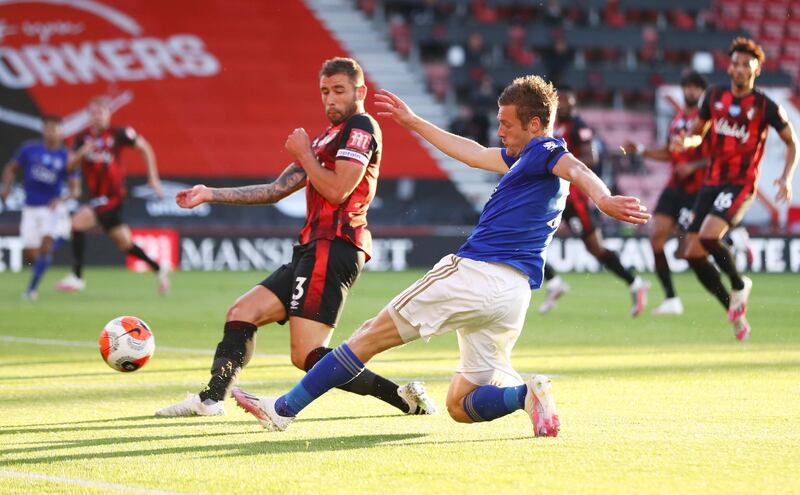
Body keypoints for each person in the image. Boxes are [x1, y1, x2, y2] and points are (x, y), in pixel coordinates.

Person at [230, 76, 649, 435]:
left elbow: (577, 169)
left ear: (535, 124)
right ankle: (526, 396)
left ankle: (282, 409)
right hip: (512, 296)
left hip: (475, 274)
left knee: (367, 337)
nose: (499, 131)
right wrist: (413, 122)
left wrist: (604, 198)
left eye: (506, 124)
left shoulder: (545, 151)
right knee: (459, 404)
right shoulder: (524, 159)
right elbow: (469, 151)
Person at [155, 57, 437, 418]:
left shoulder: (361, 128)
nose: (330, 99)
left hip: (335, 246)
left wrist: (304, 154)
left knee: (306, 355)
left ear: (360, 92)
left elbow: (338, 191)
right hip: (312, 247)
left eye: (339, 91)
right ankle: (211, 400)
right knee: (242, 312)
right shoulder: (324, 138)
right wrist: (210, 193)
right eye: (324, 92)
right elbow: (276, 190)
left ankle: (401, 397)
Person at [675, 38, 797, 340]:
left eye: (747, 64)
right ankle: (733, 309)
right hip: (712, 182)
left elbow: (791, 142)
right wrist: (685, 143)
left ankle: (740, 284)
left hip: (741, 183)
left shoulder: (765, 105)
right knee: (690, 253)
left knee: (708, 235)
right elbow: (696, 135)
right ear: (729, 66)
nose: (740, 69)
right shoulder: (713, 95)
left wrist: (786, 177)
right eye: (736, 63)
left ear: (757, 69)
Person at [540, 85, 650, 315]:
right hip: (556, 194)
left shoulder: (579, 126)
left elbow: (591, 157)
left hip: (576, 198)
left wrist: (567, 165)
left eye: (569, 101)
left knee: (595, 248)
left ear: (575, 103)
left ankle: (635, 283)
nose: (565, 105)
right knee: (530, 234)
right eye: (562, 101)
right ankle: (553, 283)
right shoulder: (554, 125)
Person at [55, 96, 169, 294]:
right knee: (125, 243)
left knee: (77, 224)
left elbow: (145, 148)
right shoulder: (82, 138)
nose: (98, 117)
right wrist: (82, 152)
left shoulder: (119, 133)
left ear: (109, 115)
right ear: (89, 116)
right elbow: (70, 166)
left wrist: (153, 178)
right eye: (94, 113)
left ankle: (77, 277)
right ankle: (159, 268)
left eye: (101, 112)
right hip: (96, 198)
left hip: (113, 197)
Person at [622, 70, 708, 315]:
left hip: (698, 189)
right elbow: (670, 153)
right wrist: (640, 150)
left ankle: (733, 238)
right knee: (656, 236)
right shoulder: (678, 119)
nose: (690, 91)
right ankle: (671, 299)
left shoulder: (708, 121)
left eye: (695, 88)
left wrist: (692, 165)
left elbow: (716, 156)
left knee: (688, 251)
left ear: (702, 92)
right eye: (687, 87)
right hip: (675, 187)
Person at [1, 115, 80, 301]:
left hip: (52, 208)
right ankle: (61, 236)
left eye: (55, 129)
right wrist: (6, 188)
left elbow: (75, 190)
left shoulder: (67, 156)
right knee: (31, 253)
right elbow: (11, 168)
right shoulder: (29, 149)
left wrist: (61, 199)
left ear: (61, 133)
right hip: (30, 208)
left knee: (45, 246)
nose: (51, 132)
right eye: (48, 128)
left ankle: (31, 290)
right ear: (43, 130)